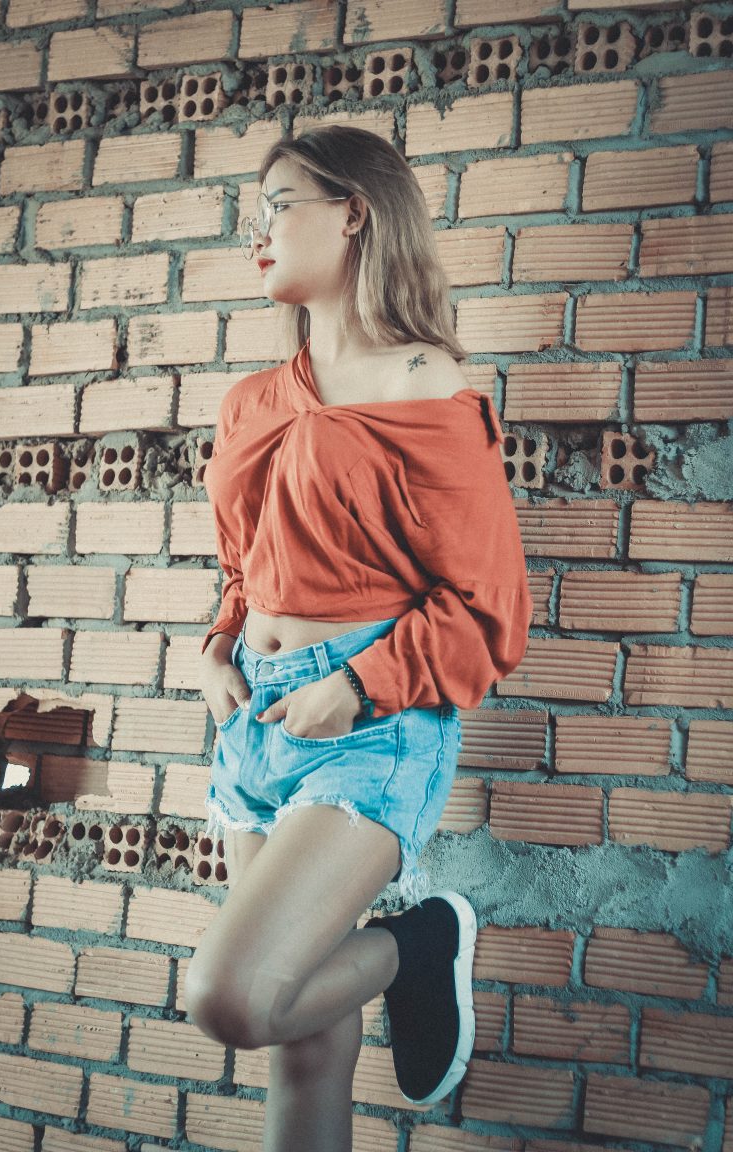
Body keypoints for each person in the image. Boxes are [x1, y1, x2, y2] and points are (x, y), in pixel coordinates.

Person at [185, 124, 532, 1151]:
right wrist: (218, 645)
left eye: (277, 205)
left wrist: (358, 686)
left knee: (235, 997)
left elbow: (488, 603)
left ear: (354, 212)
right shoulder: (252, 400)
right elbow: (247, 564)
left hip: (369, 725)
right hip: (255, 721)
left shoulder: (425, 385)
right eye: (250, 214)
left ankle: (416, 947)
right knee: (301, 1047)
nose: (256, 233)